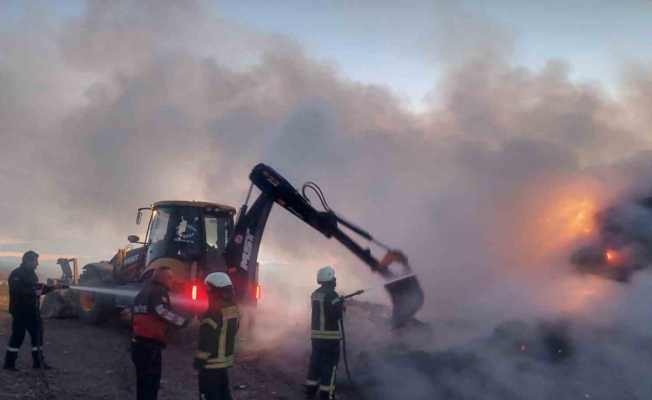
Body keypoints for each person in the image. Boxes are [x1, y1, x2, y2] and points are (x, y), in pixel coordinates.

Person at [131, 267, 188, 400]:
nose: (172, 281)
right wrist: (183, 322)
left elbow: (134, 315)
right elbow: (162, 311)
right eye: (170, 277)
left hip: (137, 344)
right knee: (151, 385)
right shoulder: (159, 291)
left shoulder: (143, 292)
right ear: (162, 278)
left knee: (142, 384)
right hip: (150, 347)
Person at [3, 250, 54, 371]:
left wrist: (52, 288)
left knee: (38, 336)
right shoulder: (16, 274)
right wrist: (34, 292)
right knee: (18, 336)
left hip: (33, 311)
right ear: (27, 261)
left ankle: (38, 362)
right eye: (35, 261)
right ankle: (9, 364)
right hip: (20, 311)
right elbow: (17, 290)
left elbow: (38, 289)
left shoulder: (32, 274)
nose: (37, 264)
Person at [194, 272, 240, 400]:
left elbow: (207, 340)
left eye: (208, 289)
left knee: (209, 396)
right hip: (224, 362)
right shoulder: (233, 308)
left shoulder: (213, 312)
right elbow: (233, 330)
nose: (206, 293)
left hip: (211, 364)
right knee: (224, 394)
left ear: (214, 289)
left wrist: (199, 360)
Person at [305, 266, 344, 400]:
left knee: (315, 364)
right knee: (329, 367)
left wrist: (337, 303)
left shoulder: (315, 294)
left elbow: (322, 310)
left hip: (316, 338)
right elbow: (335, 315)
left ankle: (310, 392)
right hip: (330, 339)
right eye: (333, 277)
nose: (335, 279)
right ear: (329, 278)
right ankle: (326, 396)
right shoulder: (332, 295)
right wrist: (340, 305)